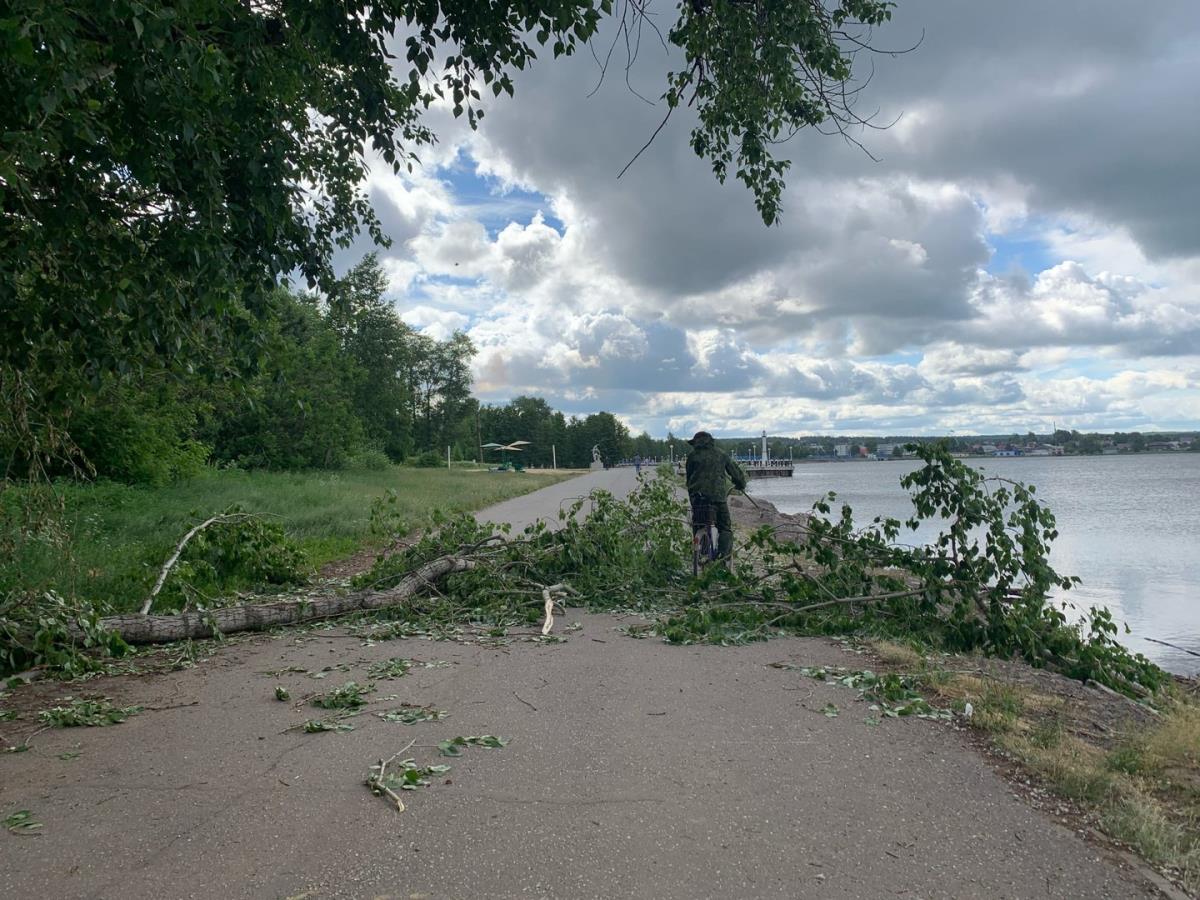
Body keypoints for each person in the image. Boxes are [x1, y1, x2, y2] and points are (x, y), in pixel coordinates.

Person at [684, 431, 747, 560]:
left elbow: (689, 477)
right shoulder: (721, 454)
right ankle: (723, 558)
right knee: (725, 527)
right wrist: (740, 484)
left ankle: (701, 552)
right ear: (711, 441)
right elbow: (735, 473)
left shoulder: (692, 456)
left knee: (698, 523)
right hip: (717, 498)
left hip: (698, 498)